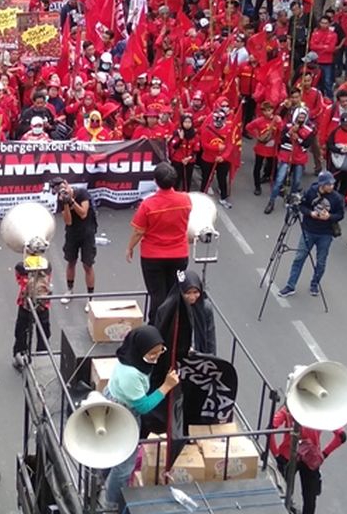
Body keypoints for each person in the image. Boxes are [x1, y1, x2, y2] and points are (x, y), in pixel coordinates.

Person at [102, 326, 181, 511]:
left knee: (109, 452)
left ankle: (100, 478)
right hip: (123, 414)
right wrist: (166, 387)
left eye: (159, 352)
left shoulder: (133, 359)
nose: (155, 357)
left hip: (117, 405)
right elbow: (143, 406)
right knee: (123, 468)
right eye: (151, 353)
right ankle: (111, 504)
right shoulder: (130, 375)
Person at [125, 162, 192, 321]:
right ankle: (173, 325)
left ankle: (156, 326)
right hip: (179, 255)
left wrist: (130, 248)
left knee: (157, 294)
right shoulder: (186, 200)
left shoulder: (148, 205)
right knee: (174, 291)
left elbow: (139, 231)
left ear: (155, 181)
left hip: (153, 256)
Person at [269, 403, 347, 514]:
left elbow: (271, 428)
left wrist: (276, 454)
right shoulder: (323, 412)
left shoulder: (290, 408)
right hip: (311, 458)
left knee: (283, 492)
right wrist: (324, 454)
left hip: (288, 456)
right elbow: (342, 436)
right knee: (309, 498)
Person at [279, 171, 345, 298]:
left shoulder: (336, 198)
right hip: (309, 230)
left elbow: (340, 215)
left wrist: (330, 216)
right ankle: (290, 285)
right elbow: (302, 206)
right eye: (328, 184)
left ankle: (315, 284)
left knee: (321, 262)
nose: (331, 186)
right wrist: (310, 213)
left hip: (325, 233)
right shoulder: (311, 192)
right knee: (299, 258)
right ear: (322, 184)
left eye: (332, 184)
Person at [151, 269, 216, 357]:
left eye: (196, 292)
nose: (192, 297)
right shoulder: (166, 309)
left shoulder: (205, 308)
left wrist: (211, 358)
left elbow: (210, 338)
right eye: (188, 293)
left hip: (198, 356)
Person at [54, 178, 96, 303]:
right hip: (72, 234)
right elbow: (68, 221)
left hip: (87, 233)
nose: (63, 191)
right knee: (71, 262)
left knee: (87, 265)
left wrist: (71, 201)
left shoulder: (82, 193)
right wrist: (66, 203)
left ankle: (90, 298)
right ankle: (69, 290)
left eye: (63, 187)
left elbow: (83, 213)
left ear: (67, 184)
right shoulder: (61, 200)